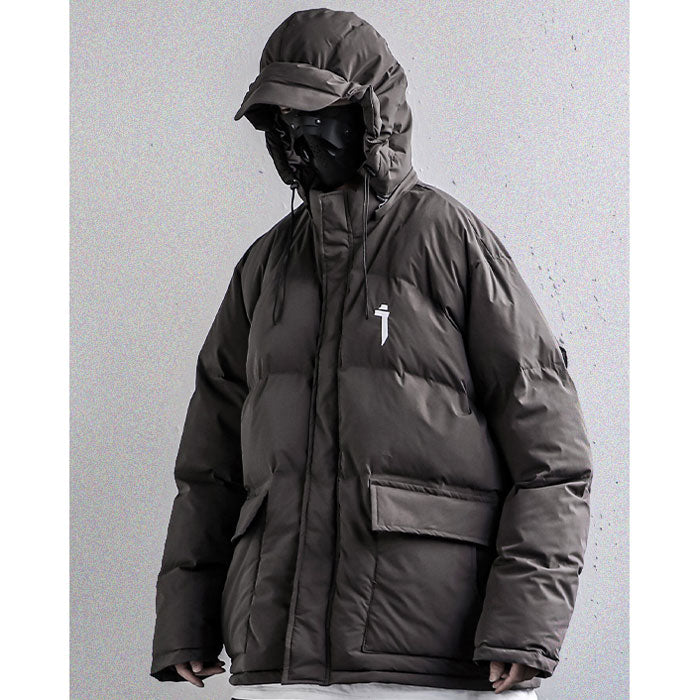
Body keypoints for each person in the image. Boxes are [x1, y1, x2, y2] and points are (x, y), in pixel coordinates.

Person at [150, 8, 593, 699]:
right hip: (280, 659)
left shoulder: (450, 243)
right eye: (280, 122)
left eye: (313, 116)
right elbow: (209, 464)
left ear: (372, 117)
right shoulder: (265, 268)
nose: (297, 140)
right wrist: (188, 621)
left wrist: (524, 625)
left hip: (432, 653)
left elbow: (552, 457)